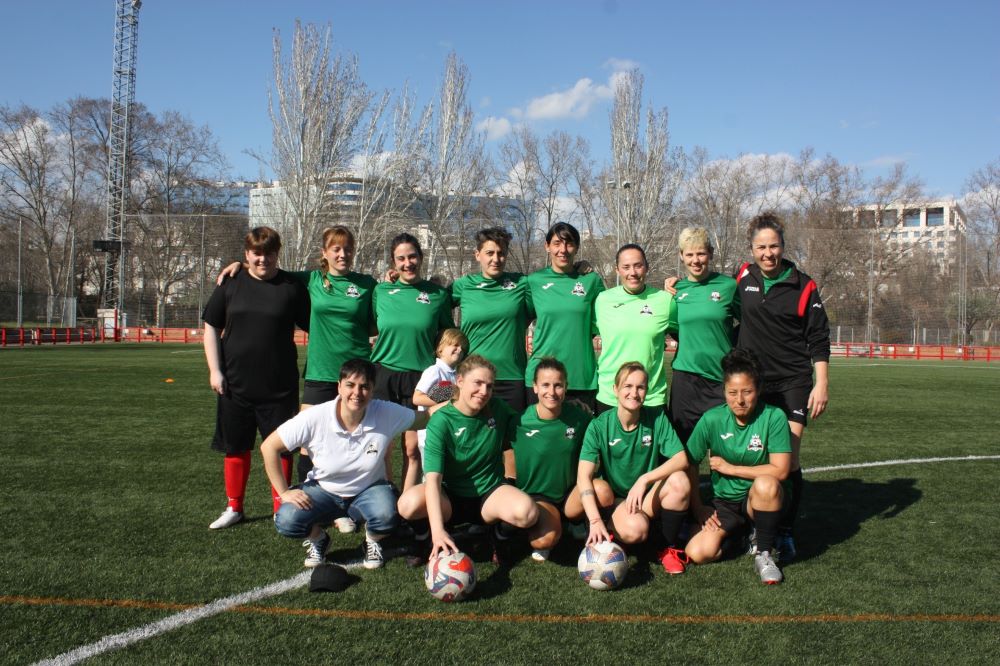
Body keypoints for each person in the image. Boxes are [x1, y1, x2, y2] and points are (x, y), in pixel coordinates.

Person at [218, 226, 377, 533]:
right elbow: (269, 270)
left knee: (357, 439)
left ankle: (346, 507)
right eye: (336, 249)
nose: (342, 254)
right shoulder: (310, 279)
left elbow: (378, 321)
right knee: (308, 442)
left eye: (347, 249)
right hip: (320, 372)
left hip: (357, 373)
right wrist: (238, 265)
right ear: (324, 252)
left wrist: (392, 278)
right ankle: (314, 506)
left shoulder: (368, 284)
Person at [263, 359, 434, 569]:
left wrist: (455, 395)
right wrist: (284, 492)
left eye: (364, 387)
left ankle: (372, 539)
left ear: (373, 390)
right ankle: (319, 539)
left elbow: (425, 418)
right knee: (286, 520)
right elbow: (269, 447)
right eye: (350, 385)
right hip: (324, 489)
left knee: (387, 515)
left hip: (369, 489)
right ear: (339, 386)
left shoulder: (385, 412)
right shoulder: (314, 417)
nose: (357, 393)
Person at [735, 213, 830, 560]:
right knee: (757, 455)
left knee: (787, 459)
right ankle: (757, 527)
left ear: (783, 246)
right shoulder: (742, 277)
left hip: (793, 382)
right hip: (755, 384)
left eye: (773, 246)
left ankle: (786, 531)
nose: (768, 253)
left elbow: (818, 338)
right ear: (752, 249)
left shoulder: (804, 286)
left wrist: (821, 384)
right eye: (761, 247)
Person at [202, 226, 310, 529]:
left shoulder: (291, 287)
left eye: (269, 253)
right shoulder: (231, 282)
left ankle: (281, 506)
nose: (263, 259)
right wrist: (215, 370)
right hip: (235, 384)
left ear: (277, 253)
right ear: (247, 254)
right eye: (256, 253)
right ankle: (234, 507)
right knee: (235, 446)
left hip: (279, 386)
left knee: (282, 447)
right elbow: (211, 326)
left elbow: (316, 323)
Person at [397, 354, 539, 566]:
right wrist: (437, 531)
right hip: (450, 498)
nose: (484, 391)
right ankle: (424, 539)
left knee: (527, 512)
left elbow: (530, 422)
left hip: (488, 495)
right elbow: (433, 481)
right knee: (407, 504)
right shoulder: (441, 420)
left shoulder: (497, 408)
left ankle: (498, 538)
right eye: (478, 383)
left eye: (489, 386)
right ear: (460, 381)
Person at [683, 348, 792, 585]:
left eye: (747, 392)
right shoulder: (712, 419)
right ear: (724, 391)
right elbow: (689, 462)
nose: (739, 400)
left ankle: (764, 553)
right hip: (725, 504)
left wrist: (730, 469)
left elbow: (781, 469)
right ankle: (741, 538)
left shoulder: (774, 417)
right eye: (732, 392)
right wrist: (698, 507)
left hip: (759, 499)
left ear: (758, 390)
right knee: (697, 552)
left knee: (766, 484)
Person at [576, 362, 691, 574]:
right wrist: (594, 520)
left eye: (640, 387)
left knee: (680, 480)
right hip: (618, 500)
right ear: (615, 389)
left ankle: (667, 548)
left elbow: (681, 459)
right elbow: (583, 476)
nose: (634, 393)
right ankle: (611, 526)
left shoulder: (657, 418)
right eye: (628, 386)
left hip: (646, 498)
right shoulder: (599, 425)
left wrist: (644, 479)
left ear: (647, 391)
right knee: (636, 529)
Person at [371, 233, 455, 492]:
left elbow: (447, 335)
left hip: (421, 378)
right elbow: (370, 325)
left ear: (421, 257)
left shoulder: (438, 295)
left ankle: (407, 501)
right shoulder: (381, 291)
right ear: (393, 262)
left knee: (413, 448)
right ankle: (385, 495)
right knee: (381, 446)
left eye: (412, 256)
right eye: (401, 258)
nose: (407, 263)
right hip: (383, 374)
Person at [508, 358, 595, 562]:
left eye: (558, 385)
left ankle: (576, 521)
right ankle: (556, 523)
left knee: (603, 491)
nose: (552, 391)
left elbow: (599, 437)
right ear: (535, 387)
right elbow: (505, 452)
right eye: (545, 385)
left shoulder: (580, 417)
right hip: (539, 498)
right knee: (543, 541)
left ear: (566, 387)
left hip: (571, 493)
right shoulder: (519, 421)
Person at [666, 228, 740, 442]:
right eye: (689, 254)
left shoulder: (729, 286)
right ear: (681, 256)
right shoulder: (675, 290)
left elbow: (749, 324)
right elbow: (675, 331)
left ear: (711, 253)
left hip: (720, 378)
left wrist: (732, 349)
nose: (695, 260)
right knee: (684, 449)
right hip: (686, 380)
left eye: (701, 253)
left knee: (724, 446)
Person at [450, 228, 534, 412]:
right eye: (490, 253)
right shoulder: (463, 286)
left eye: (501, 253)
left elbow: (551, 289)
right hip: (473, 377)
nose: (496, 259)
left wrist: (578, 268)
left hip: (512, 378)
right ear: (477, 255)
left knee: (512, 430)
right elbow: (432, 302)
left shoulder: (522, 283)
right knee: (471, 429)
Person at [524, 223, 605, 413]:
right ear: (547, 246)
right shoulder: (534, 281)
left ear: (576, 247)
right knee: (540, 431)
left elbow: (602, 323)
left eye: (569, 244)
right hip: (542, 377)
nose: (563, 250)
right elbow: (517, 320)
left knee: (580, 432)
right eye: (557, 243)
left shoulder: (591, 281)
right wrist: (526, 341)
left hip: (580, 377)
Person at [593, 244, 674, 413]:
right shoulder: (602, 300)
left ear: (646, 267)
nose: (633, 272)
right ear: (617, 270)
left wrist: (681, 283)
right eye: (626, 267)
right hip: (610, 397)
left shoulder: (665, 300)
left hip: (651, 398)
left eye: (638, 266)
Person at [410, 327, 469, 488]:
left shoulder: (456, 374)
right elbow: (417, 398)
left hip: (449, 434)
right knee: (431, 479)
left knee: (445, 478)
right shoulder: (433, 371)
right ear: (440, 348)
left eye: (462, 347)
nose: (459, 349)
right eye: (455, 345)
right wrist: (449, 401)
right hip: (430, 435)